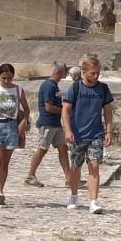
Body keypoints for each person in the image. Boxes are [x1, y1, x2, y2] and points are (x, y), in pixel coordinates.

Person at [62, 54, 114, 214]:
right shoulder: (75, 88)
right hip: (77, 134)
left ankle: (93, 201)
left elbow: (108, 110)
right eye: (93, 73)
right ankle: (74, 196)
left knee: (94, 165)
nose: (96, 76)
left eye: (98, 73)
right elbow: (66, 109)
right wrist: (68, 130)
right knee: (75, 167)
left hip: (96, 134)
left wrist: (109, 131)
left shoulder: (103, 89)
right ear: (84, 72)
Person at [0, 62, 30, 206]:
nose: (7, 81)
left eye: (9, 78)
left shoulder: (18, 90)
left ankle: (0, 191)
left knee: (5, 162)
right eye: (4, 78)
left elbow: (26, 109)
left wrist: (23, 122)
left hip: (11, 127)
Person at [24, 62, 72, 190]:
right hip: (47, 123)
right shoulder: (48, 86)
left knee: (63, 148)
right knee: (42, 149)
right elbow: (48, 107)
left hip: (55, 123)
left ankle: (69, 178)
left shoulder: (54, 86)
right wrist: (64, 111)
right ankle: (30, 175)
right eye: (65, 70)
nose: (67, 72)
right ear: (60, 71)